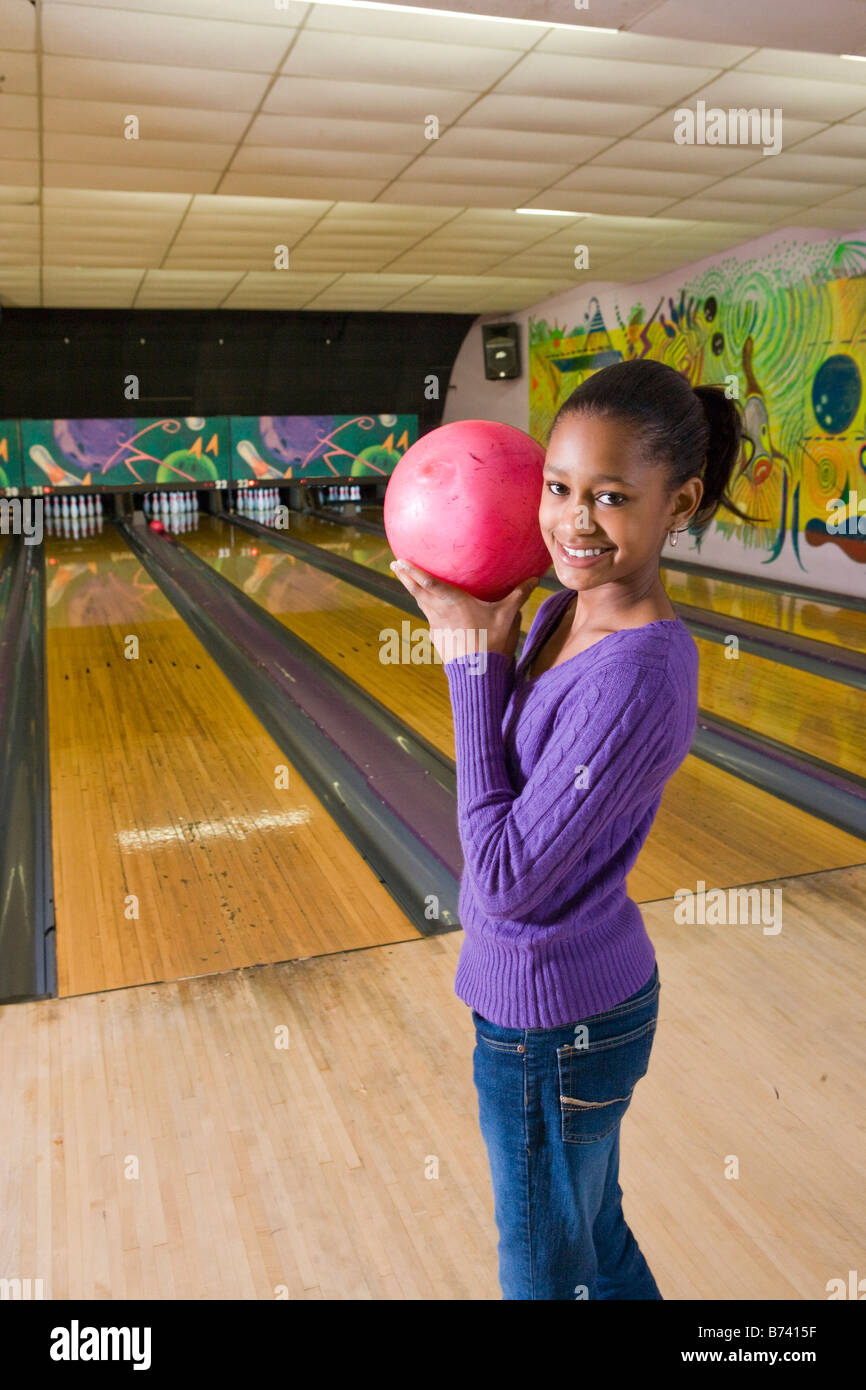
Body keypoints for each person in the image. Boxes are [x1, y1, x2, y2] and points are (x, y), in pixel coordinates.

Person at [390, 357, 752, 1301]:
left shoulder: (635, 676)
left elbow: (507, 880)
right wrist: (488, 646)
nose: (573, 520)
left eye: (611, 497)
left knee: (546, 1275)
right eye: (559, 487)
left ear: (679, 504)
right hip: (560, 1004)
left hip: (557, 1026)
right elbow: (514, 785)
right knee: (592, 1244)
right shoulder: (561, 607)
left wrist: (471, 667)